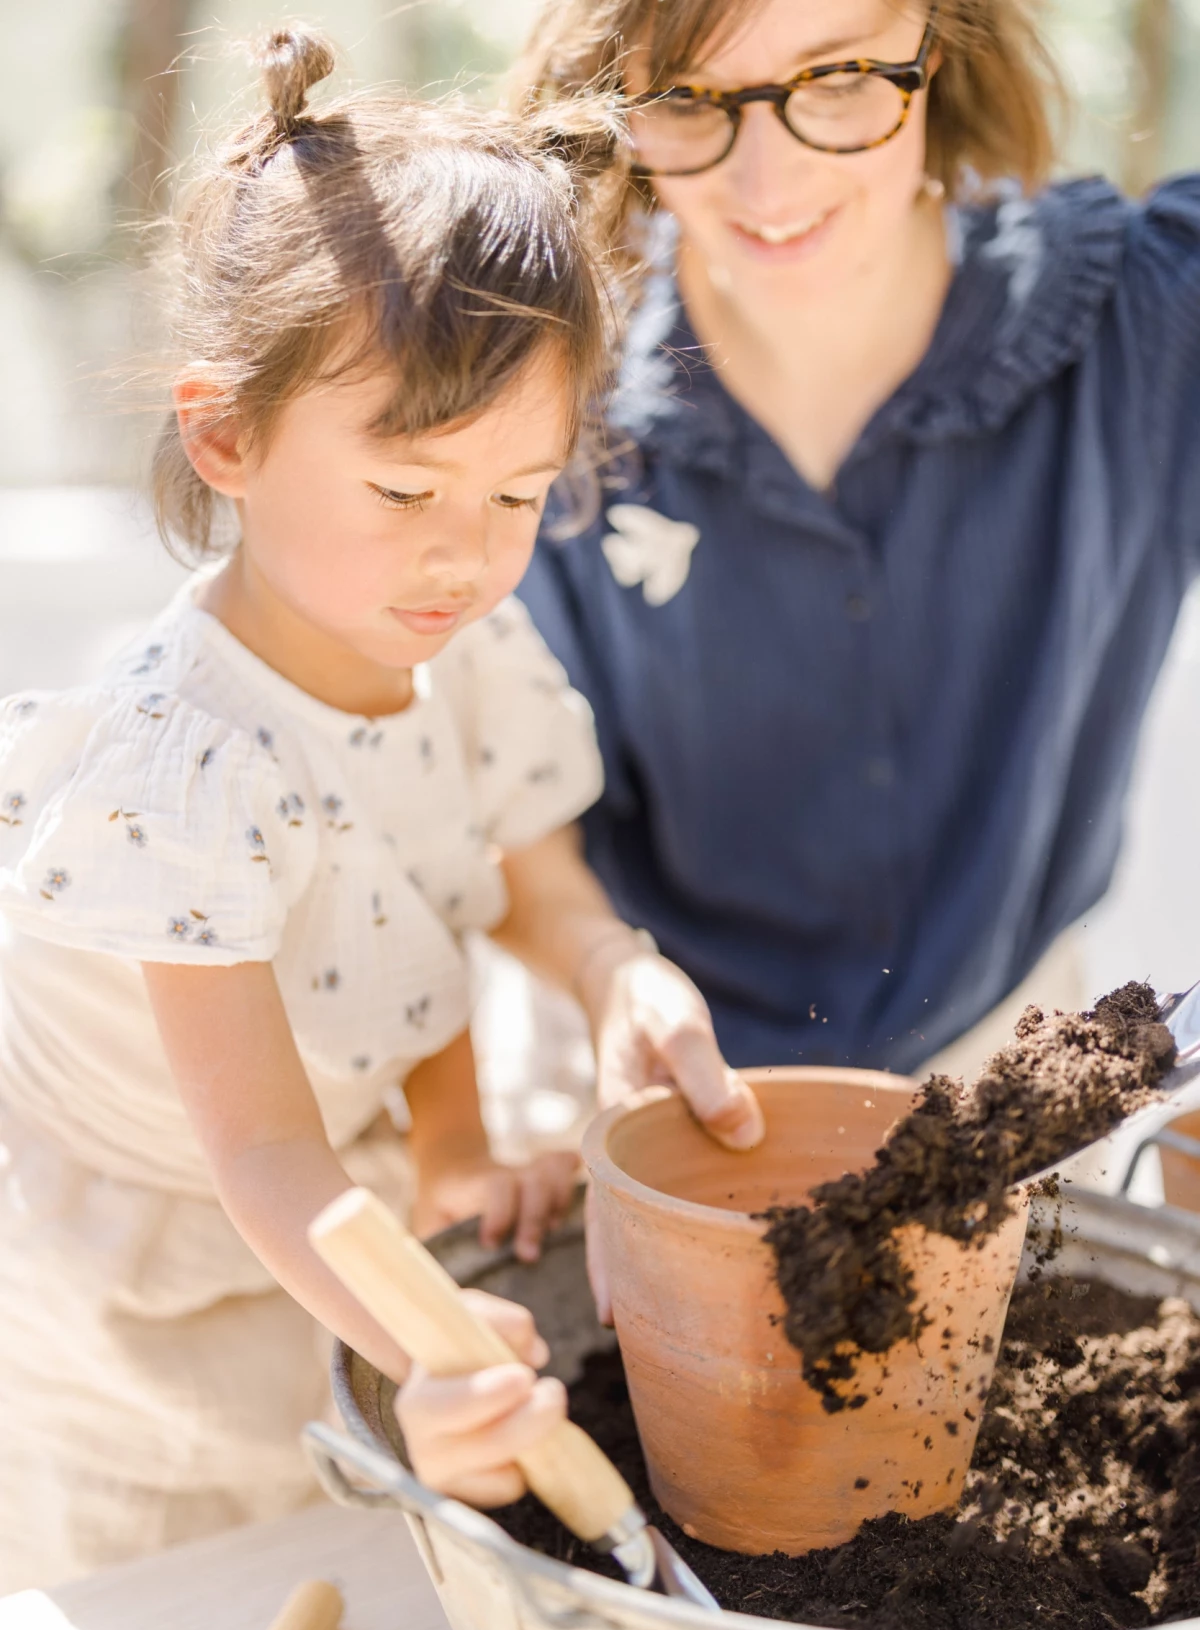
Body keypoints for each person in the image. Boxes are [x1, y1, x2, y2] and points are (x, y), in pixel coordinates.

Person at [401, 0, 1200, 1505]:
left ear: (940, 57)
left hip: (1003, 1072)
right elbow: (497, 808)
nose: (763, 184)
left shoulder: (1140, 326)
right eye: (693, 101)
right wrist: (600, 970)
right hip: (628, 1069)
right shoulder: (541, 402)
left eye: (837, 83)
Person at [0, 26, 758, 1591]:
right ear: (228, 436)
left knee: (375, 1549)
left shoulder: (459, 643)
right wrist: (417, 1330)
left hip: (338, 1202)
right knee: (196, 1589)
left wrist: (613, 977)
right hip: (144, 1265)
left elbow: (508, 887)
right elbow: (265, 1153)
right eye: (408, 492)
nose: (464, 556)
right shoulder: (188, 774)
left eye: (516, 496)